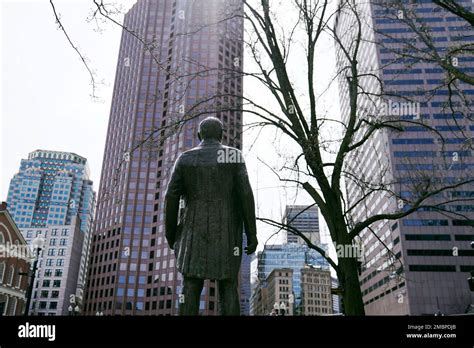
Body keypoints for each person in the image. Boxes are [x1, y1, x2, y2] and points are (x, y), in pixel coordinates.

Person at [165, 116, 258, 315]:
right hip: (227, 233)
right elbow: (246, 196)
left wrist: (170, 234)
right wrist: (252, 234)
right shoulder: (234, 156)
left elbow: (170, 197)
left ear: (200, 135)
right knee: (228, 286)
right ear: (221, 135)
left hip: (192, 234)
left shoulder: (185, 159)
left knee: (190, 285)